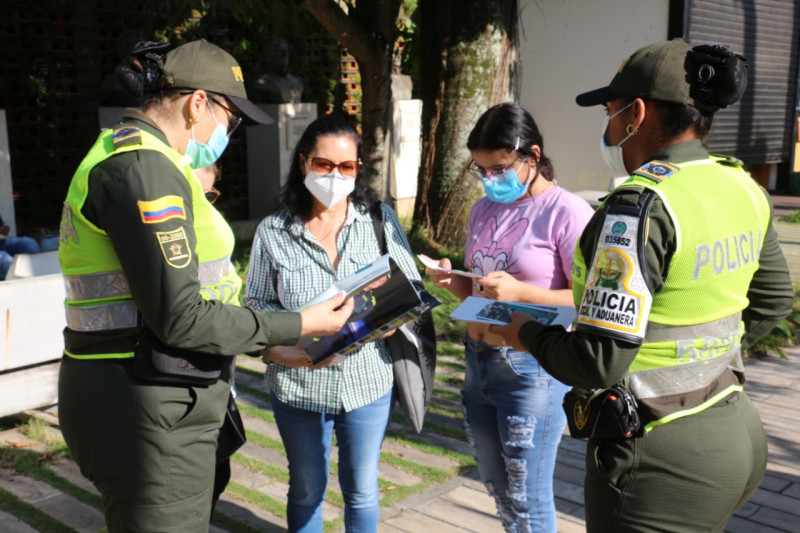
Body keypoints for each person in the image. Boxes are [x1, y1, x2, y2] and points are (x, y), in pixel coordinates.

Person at [490, 39, 795, 532]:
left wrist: (522, 332)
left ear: (636, 113)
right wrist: (706, 361)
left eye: (610, 112)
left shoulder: (637, 209)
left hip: (658, 457)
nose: (608, 127)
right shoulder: (741, 185)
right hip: (733, 428)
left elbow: (596, 361)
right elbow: (775, 300)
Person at [56, 39, 354, 532]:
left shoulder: (145, 159)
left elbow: (196, 294)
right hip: (147, 409)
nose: (229, 132)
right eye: (230, 118)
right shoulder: (145, 169)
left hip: (154, 392)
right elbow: (181, 314)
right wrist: (299, 323)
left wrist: (269, 347)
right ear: (198, 103)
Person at [244, 113, 420, 533]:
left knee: (361, 490)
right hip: (298, 382)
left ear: (357, 169)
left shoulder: (378, 221)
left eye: (346, 166)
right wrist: (282, 350)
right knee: (306, 489)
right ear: (304, 162)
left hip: (366, 382)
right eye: (324, 164)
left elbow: (409, 284)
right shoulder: (274, 231)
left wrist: (392, 315)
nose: (335, 175)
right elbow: (255, 307)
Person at [423, 102, 594, 532]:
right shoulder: (484, 209)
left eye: (498, 169)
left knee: (528, 497)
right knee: (499, 490)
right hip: (477, 362)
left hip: (532, 370)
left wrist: (521, 292)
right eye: (481, 170)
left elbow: (589, 300)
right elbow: (480, 288)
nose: (489, 180)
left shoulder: (567, 212)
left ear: (532, 156)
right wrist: (451, 281)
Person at [0, 213, 41, 280]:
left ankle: (39, 272)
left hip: (2, 241)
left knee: (28, 243)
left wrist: (3, 229)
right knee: (4, 258)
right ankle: (21, 280)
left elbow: (3, 227)